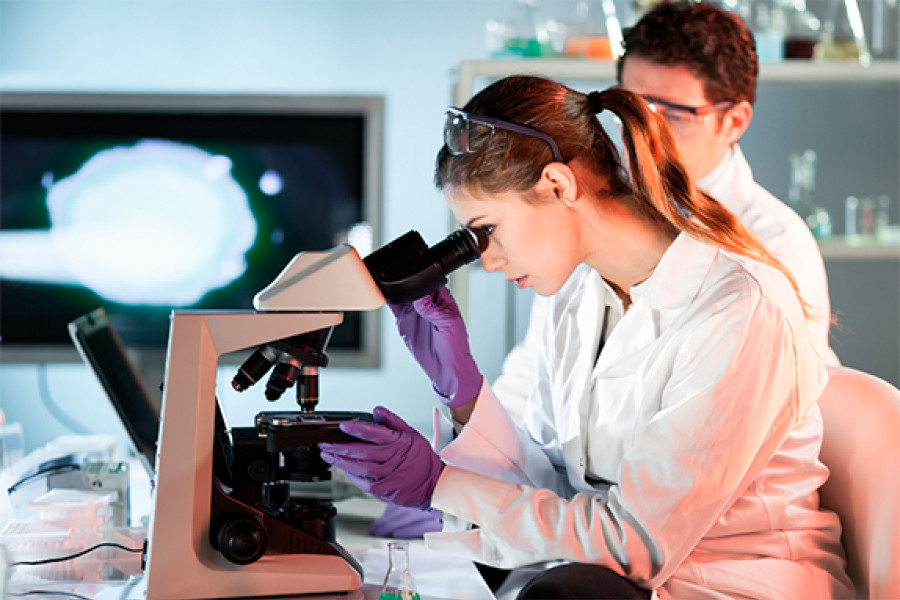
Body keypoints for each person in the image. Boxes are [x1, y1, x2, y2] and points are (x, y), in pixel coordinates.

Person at [319, 75, 853, 599]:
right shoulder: (579, 298)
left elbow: (633, 543)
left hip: (737, 583)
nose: (488, 259)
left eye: (487, 230)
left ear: (558, 184)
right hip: (611, 579)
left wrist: (440, 484)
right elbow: (558, 493)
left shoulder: (738, 310)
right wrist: (465, 396)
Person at [493, 0, 838, 432]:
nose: (642, 135)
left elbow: (764, 420)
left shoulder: (773, 243)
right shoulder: (590, 216)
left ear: (734, 121)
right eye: (631, 111)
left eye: (672, 115)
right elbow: (533, 375)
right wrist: (461, 461)